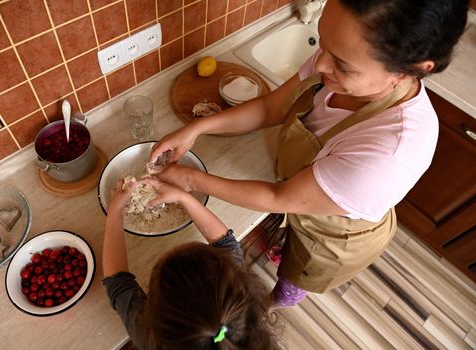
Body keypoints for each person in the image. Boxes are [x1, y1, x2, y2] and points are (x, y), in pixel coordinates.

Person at [149, 0, 470, 308]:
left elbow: (277, 197)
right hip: (302, 195)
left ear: (409, 69)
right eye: (324, 43)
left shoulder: (389, 155)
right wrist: (196, 129)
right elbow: (270, 108)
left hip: (333, 235)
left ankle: (275, 303)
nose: (319, 64)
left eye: (341, 64)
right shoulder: (337, 59)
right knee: (289, 240)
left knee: (298, 276)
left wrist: (192, 180)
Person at [102, 178, 277, 349]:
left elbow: (117, 283)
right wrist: (183, 197)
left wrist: (115, 211)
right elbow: (227, 244)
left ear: (154, 313)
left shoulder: (149, 337)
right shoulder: (238, 303)